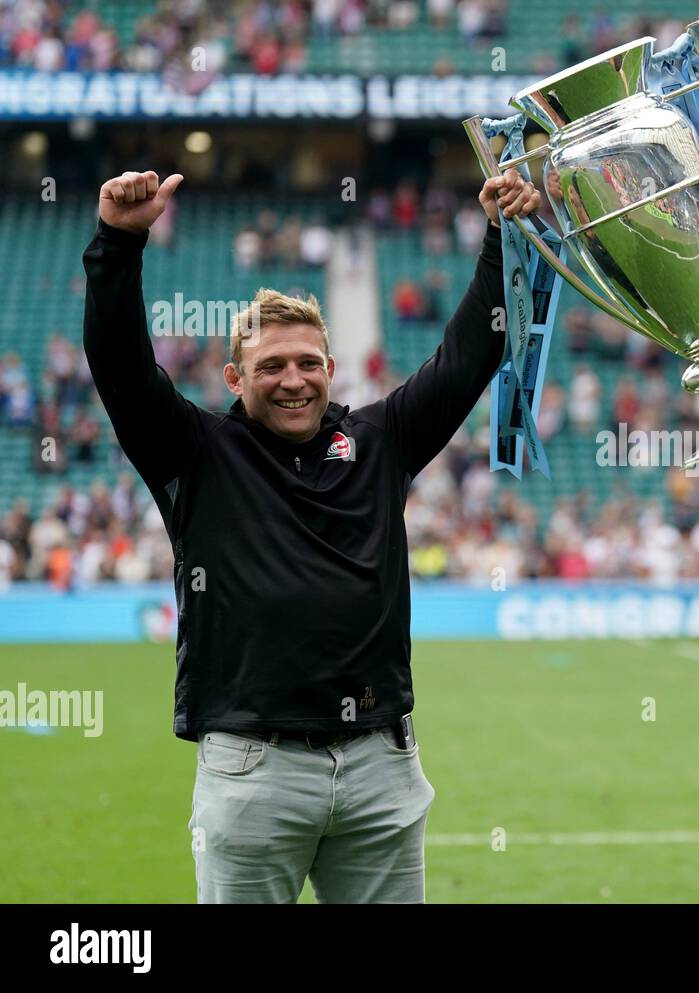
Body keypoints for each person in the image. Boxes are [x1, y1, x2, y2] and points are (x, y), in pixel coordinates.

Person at [83, 165, 540, 903]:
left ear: (331, 368)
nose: (291, 380)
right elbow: (120, 370)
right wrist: (117, 245)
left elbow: (466, 359)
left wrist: (500, 232)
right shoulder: (193, 452)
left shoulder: (381, 438)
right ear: (235, 377)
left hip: (381, 765)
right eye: (270, 366)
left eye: (305, 363)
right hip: (255, 768)